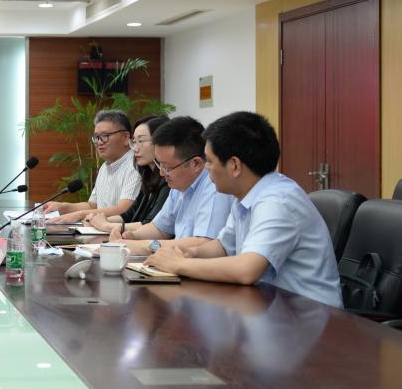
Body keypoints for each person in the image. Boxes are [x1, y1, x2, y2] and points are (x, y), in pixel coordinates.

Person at [144, 111, 343, 308]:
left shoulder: (277, 201)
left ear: (234, 166)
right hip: (271, 307)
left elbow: (246, 270)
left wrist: (179, 265)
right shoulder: (245, 195)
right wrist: (188, 253)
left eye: (210, 161)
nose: (206, 168)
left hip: (311, 317)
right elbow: (223, 246)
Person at [120, 116, 233, 247]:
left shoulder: (214, 187)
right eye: (159, 164)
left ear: (195, 164)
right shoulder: (179, 185)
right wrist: (131, 236)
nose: (162, 173)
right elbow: (160, 228)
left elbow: (203, 243)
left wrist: (147, 246)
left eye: (168, 167)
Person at [45, 110, 141, 222]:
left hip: (122, 231)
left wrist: (79, 215)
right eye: (96, 137)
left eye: (105, 136)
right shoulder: (104, 167)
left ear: (126, 137)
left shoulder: (136, 165)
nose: (99, 142)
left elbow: (124, 210)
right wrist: (63, 207)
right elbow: (92, 206)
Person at [85, 114, 171, 238]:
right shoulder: (148, 177)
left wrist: (106, 225)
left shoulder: (169, 181)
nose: (135, 148)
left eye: (141, 141)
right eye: (134, 142)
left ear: (161, 142)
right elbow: (129, 214)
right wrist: (97, 219)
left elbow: (152, 225)